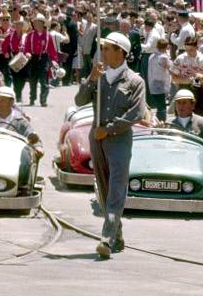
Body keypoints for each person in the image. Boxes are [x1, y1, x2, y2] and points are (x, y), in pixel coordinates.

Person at [75, 31, 146, 260]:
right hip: (97, 139)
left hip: (118, 139)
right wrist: (91, 79)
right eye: (102, 48)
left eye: (107, 48)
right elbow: (79, 101)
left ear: (120, 53)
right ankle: (118, 234)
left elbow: (136, 112)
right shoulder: (99, 74)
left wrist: (111, 128)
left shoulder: (135, 81)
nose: (103, 52)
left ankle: (106, 237)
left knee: (117, 187)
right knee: (104, 188)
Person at [0, 86, 43, 158]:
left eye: (2, 100)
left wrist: (38, 147)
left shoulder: (20, 121)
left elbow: (31, 134)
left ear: (11, 102)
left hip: (13, 156)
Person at [168, 89, 203, 164]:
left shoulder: (201, 122)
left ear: (193, 105)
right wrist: (158, 131)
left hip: (196, 161)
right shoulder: (169, 124)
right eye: (178, 103)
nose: (181, 106)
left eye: (184, 103)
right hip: (175, 161)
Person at [23, 13, 58, 107]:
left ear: (43, 23)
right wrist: (27, 53)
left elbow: (52, 49)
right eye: (35, 23)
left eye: (38, 22)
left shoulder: (48, 36)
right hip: (33, 58)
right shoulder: (30, 35)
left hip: (44, 58)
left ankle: (43, 100)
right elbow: (26, 48)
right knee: (32, 80)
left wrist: (54, 60)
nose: (35, 24)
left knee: (44, 81)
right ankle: (32, 99)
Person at [147, 38, 172, 122]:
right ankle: (162, 124)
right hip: (160, 83)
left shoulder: (151, 56)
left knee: (159, 106)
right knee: (162, 107)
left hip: (152, 83)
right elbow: (170, 68)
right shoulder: (163, 57)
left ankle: (159, 122)